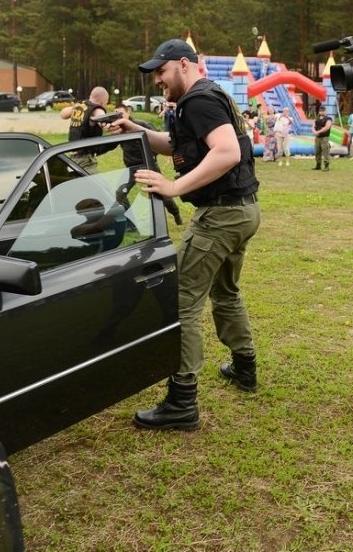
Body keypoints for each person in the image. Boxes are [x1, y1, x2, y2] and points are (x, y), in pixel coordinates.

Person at [111, 38, 261, 431]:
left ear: (183, 64)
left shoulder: (199, 100)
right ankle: (245, 368)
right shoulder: (201, 99)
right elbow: (175, 146)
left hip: (220, 216)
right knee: (225, 291)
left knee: (181, 302)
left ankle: (182, 402)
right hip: (242, 211)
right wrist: (135, 129)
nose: (157, 80)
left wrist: (174, 188)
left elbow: (226, 152)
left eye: (161, 72)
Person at [113, 103, 183, 225]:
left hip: (148, 166)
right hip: (131, 168)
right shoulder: (118, 130)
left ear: (128, 112)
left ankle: (176, 214)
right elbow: (108, 145)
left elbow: (157, 140)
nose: (118, 116)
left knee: (161, 193)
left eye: (121, 114)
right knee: (120, 193)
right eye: (115, 114)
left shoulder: (141, 125)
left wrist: (152, 157)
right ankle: (130, 223)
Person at [60, 86, 109, 173]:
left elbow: (63, 114)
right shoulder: (97, 109)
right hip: (85, 160)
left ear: (90, 96)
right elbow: (103, 120)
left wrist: (74, 108)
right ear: (103, 102)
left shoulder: (79, 106)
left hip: (72, 156)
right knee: (100, 186)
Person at [312, 105, 333, 170]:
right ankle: (318, 165)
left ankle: (326, 165)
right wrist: (314, 131)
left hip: (324, 137)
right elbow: (313, 126)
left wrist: (318, 132)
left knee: (325, 151)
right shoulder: (317, 118)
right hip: (317, 137)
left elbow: (327, 127)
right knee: (317, 151)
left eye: (323, 111)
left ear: (325, 111)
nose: (321, 112)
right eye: (320, 111)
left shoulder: (328, 119)